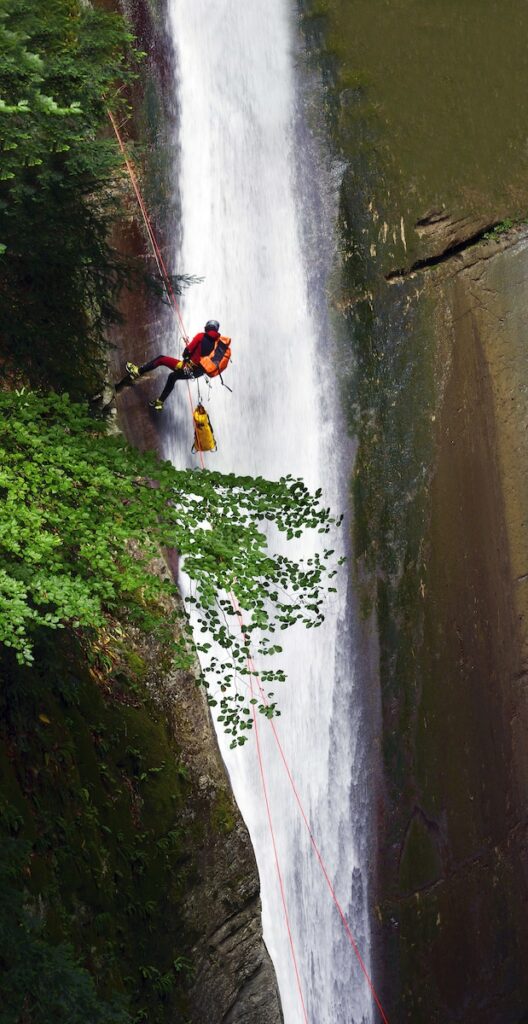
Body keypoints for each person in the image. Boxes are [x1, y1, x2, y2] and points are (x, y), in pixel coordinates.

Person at [124, 320, 228, 411]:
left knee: (161, 359)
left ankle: (137, 371)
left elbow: (187, 352)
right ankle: (159, 402)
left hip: (187, 368)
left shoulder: (201, 336)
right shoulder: (217, 345)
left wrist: (187, 353)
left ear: (207, 327)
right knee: (173, 377)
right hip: (196, 373)